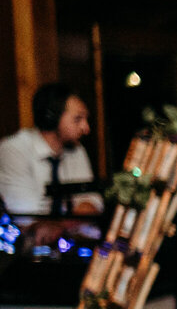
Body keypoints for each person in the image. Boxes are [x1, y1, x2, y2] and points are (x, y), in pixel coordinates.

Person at [0, 82, 102, 216]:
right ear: (51, 118)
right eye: (77, 119)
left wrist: (65, 225)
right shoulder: (14, 149)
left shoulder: (76, 149)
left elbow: (91, 201)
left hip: (66, 235)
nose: (86, 128)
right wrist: (71, 221)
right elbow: (27, 216)